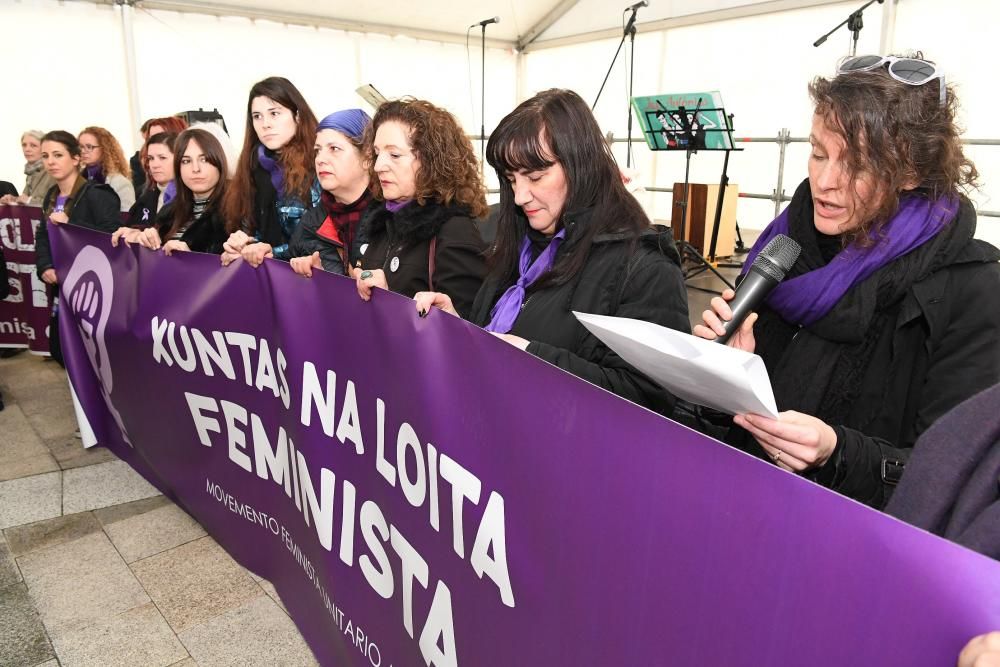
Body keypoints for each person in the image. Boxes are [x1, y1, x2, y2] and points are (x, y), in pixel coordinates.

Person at [694, 54, 1000, 508]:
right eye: (818, 153)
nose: (824, 180)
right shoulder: (785, 247)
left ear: (911, 172)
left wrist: (836, 453)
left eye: (856, 165)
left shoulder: (974, 292)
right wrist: (729, 374)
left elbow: (955, 476)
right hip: (738, 501)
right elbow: (721, 420)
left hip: (852, 536)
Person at [412, 89, 690, 414]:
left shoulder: (646, 268)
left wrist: (530, 359)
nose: (519, 196)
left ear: (580, 167)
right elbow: (500, 339)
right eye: (511, 179)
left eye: (535, 176)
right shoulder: (521, 246)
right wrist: (459, 328)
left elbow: (650, 402)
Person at [355, 98, 488, 317]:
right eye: (377, 153)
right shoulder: (384, 223)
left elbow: (466, 328)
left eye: (394, 155)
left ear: (431, 161)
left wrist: (388, 300)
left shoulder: (454, 231)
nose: (378, 166)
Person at [34, 131, 121, 365]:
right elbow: (42, 234)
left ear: (75, 158)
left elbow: (110, 235)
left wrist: (70, 224)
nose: (51, 162)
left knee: (93, 355)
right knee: (60, 349)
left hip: (92, 287)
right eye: (45, 156)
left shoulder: (98, 194)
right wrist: (45, 266)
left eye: (58, 155)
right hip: (62, 286)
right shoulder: (51, 196)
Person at [222, 76, 320, 267]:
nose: (265, 124)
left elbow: (324, 242)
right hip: (266, 275)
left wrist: (273, 252)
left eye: (274, 113)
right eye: (257, 116)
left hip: (307, 276)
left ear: (297, 115)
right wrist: (241, 246)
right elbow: (252, 230)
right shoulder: (251, 166)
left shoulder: (318, 163)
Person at [116, 127, 229, 255]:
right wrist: (142, 237)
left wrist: (192, 258)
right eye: (186, 161)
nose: (195, 168)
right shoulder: (170, 211)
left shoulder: (237, 213)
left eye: (204, 159)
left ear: (219, 161)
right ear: (178, 168)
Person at [289, 109, 373, 278]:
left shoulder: (392, 219)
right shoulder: (310, 225)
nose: (320, 159)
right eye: (318, 150)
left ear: (367, 157)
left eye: (334, 148)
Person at [124, 132, 178, 228]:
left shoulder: (190, 199)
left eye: (162, 158)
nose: (154, 165)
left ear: (179, 160)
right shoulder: (145, 198)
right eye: (151, 158)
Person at [78, 126, 136, 211]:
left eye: (89, 147)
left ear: (104, 148)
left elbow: (127, 215)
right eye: (81, 147)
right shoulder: (78, 177)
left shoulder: (119, 182)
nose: (83, 151)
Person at [1, 131, 56, 207]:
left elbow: (56, 203)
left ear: (44, 148)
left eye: (33, 145)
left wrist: (28, 200)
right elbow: (26, 200)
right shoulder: (31, 172)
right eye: (24, 145)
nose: (27, 149)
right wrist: (13, 199)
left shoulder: (53, 171)